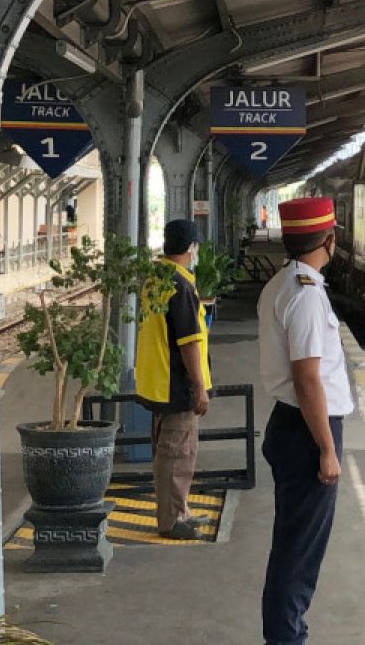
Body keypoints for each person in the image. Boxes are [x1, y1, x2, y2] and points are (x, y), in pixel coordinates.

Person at [257, 197, 353, 645]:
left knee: (292, 546)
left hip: (290, 424)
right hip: (307, 431)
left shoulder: (282, 283)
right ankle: (287, 638)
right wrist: (328, 450)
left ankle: (288, 634)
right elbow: (308, 379)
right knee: (298, 554)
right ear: (329, 240)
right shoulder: (307, 293)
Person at [134, 218, 213, 541]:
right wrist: (199, 387)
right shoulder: (180, 286)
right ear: (191, 248)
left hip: (157, 379)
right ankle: (171, 521)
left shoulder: (155, 277)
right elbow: (189, 343)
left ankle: (179, 511)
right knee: (177, 454)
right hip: (176, 384)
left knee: (170, 452)